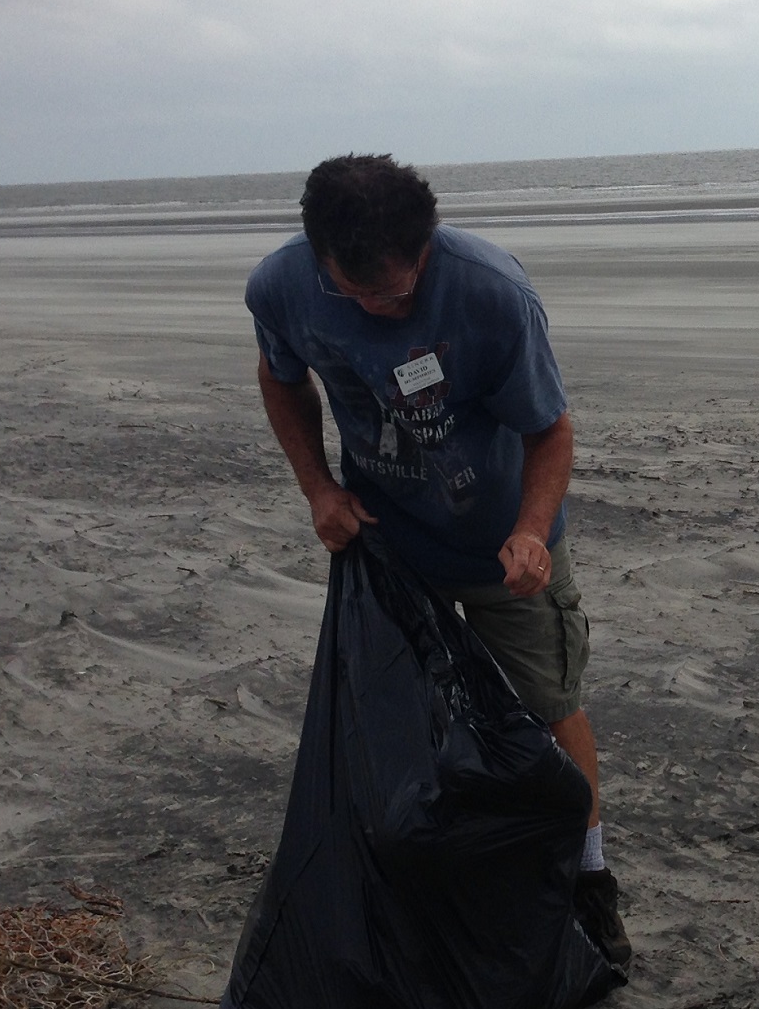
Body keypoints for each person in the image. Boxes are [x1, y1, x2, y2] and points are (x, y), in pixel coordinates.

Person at [244, 153, 630, 967]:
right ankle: (440, 866)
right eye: (376, 293)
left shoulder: (490, 292)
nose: (401, 299)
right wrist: (317, 488)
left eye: (412, 277)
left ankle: (591, 876)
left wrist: (530, 531)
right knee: (404, 712)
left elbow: (550, 429)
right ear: (323, 263)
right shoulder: (279, 288)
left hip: (503, 542)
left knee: (550, 702)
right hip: (387, 537)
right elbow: (282, 381)